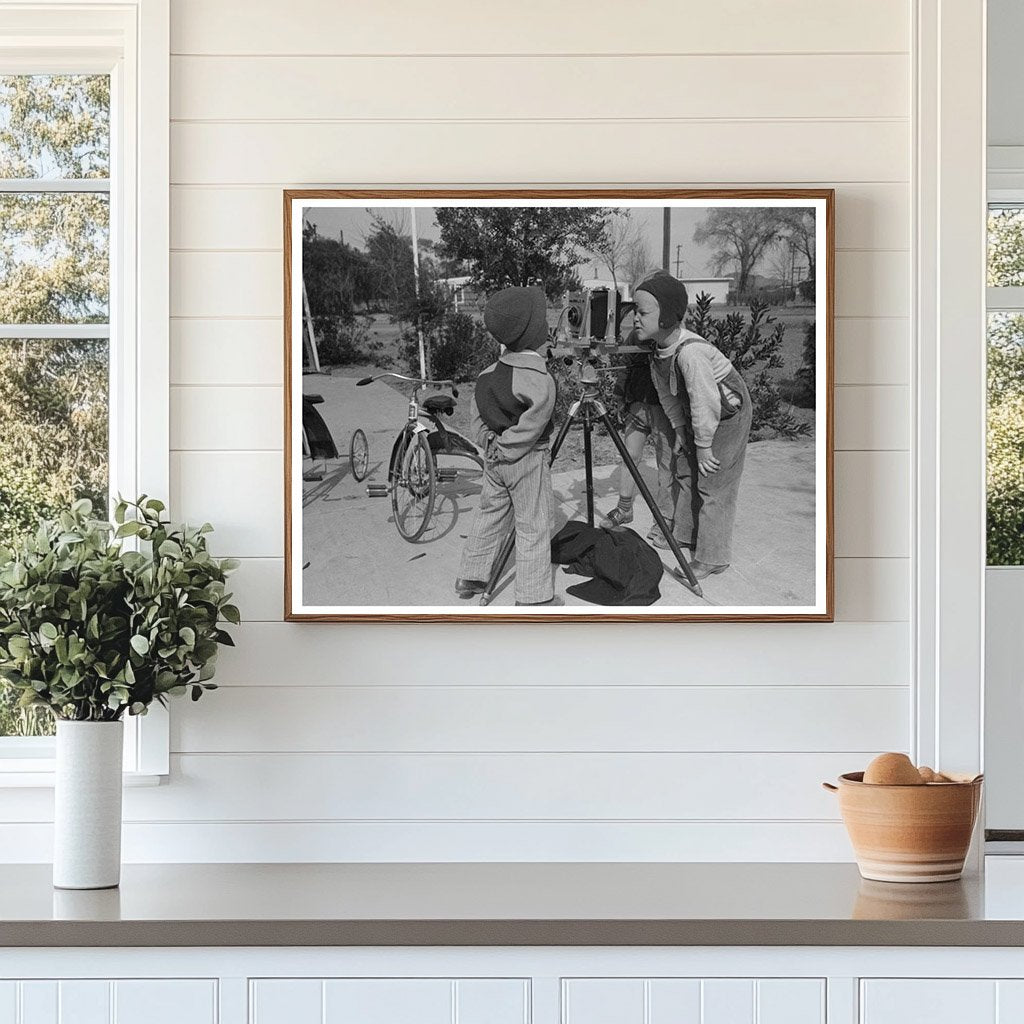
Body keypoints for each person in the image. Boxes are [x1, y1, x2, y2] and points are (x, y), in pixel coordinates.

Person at [633, 272, 752, 581]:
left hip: (727, 413)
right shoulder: (659, 352)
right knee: (685, 469)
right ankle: (685, 533)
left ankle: (713, 557)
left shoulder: (692, 354)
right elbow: (668, 398)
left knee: (714, 484)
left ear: (667, 316)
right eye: (635, 310)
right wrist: (680, 431)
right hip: (701, 413)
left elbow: (705, 401)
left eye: (643, 312)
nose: (635, 318)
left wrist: (702, 445)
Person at [455, 286, 561, 607]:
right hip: (525, 459)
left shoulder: (488, 375)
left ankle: (471, 575)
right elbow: (535, 420)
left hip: (495, 459)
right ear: (532, 333)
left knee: (490, 512)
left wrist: (491, 443)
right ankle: (533, 596)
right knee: (534, 523)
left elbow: (476, 414)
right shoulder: (538, 377)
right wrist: (512, 446)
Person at [601, 346, 675, 539]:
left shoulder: (669, 335)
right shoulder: (635, 336)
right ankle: (624, 509)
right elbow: (627, 366)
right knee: (629, 457)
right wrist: (619, 396)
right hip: (638, 406)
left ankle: (665, 520)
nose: (637, 318)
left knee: (667, 466)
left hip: (663, 409)